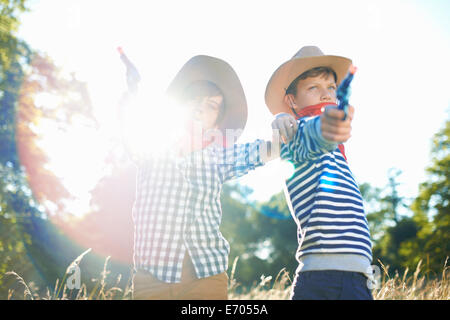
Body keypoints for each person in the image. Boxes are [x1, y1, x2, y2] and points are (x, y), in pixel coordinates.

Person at [118, 54, 279, 300]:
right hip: (151, 279)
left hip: (206, 277)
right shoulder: (151, 149)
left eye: (211, 105)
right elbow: (128, 129)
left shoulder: (219, 157)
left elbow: (261, 151)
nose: (200, 107)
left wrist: (283, 128)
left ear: (217, 123)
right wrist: (131, 92)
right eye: (194, 99)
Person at [267, 46, 373, 300]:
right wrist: (331, 123)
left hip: (359, 275)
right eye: (313, 88)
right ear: (292, 100)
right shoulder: (299, 133)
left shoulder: (337, 151)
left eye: (331, 87)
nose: (326, 94)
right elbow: (314, 132)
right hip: (324, 277)